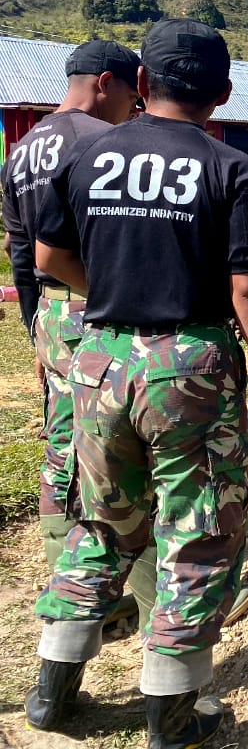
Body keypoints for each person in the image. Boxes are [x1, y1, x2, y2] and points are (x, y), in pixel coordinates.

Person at [28, 19, 248, 749]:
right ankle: (175, 720)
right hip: (189, 368)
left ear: (142, 84)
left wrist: (118, 296)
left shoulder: (87, 154)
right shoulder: (232, 169)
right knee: (199, 534)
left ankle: (51, 691)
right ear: (225, 95)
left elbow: (49, 254)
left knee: (102, 524)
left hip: (100, 360)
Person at [0, 41, 163, 626]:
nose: (133, 107)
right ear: (105, 82)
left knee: (64, 444)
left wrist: (35, 332)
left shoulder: (19, 152)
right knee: (127, 450)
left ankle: (66, 580)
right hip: (103, 308)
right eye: (130, 94)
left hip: (51, 311)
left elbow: (22, 252)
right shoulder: (102, 144)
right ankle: (146, 602)